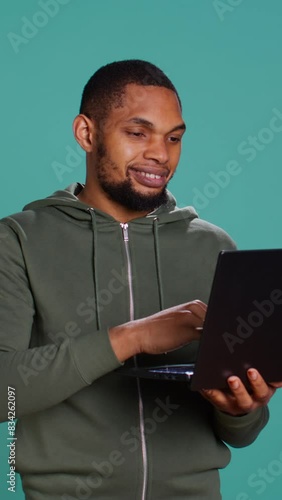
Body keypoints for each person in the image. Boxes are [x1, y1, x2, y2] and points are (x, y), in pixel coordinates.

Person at [0, 59, 280, 500]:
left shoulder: (215, 247)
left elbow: (242, 435)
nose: (161, 154)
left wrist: (244, 409)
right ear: (86, 134)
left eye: (174, 138)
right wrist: (133, 338)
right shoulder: (18, 239)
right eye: (138, 132)